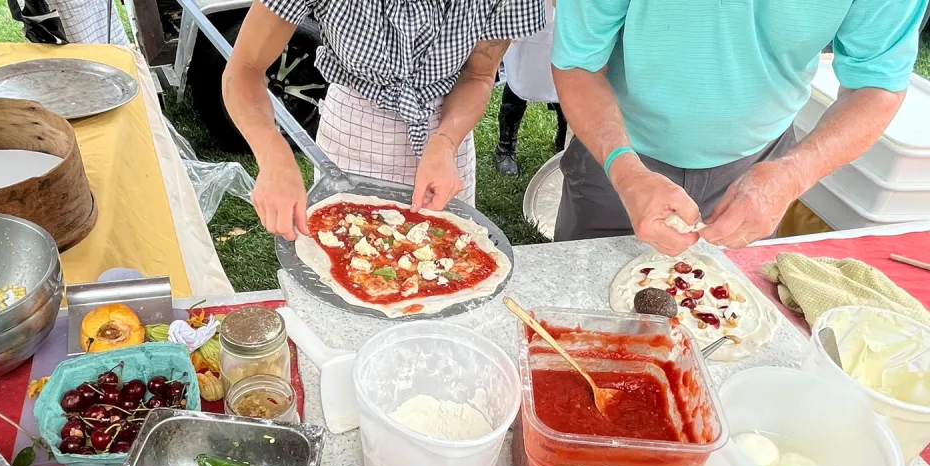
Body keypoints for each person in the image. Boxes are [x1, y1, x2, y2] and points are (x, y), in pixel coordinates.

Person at [551, 0, 928, 256]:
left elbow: (876, 84)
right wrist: (625, 170)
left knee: (731, 329)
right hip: (616, 156)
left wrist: (791, 176)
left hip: (760, 166)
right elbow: (578, 63)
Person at [223, 0, 547, 241]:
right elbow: (244, 70)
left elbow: (478, 74)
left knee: (443, 266)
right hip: (354, 125)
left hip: (447, 129)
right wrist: (273, 156)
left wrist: (445, 143)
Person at [492, 0, 567, 176]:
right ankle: (505, 147)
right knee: (522, 71)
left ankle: (564, 139)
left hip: (568, 13)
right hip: (528, 10)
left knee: (565, 77)